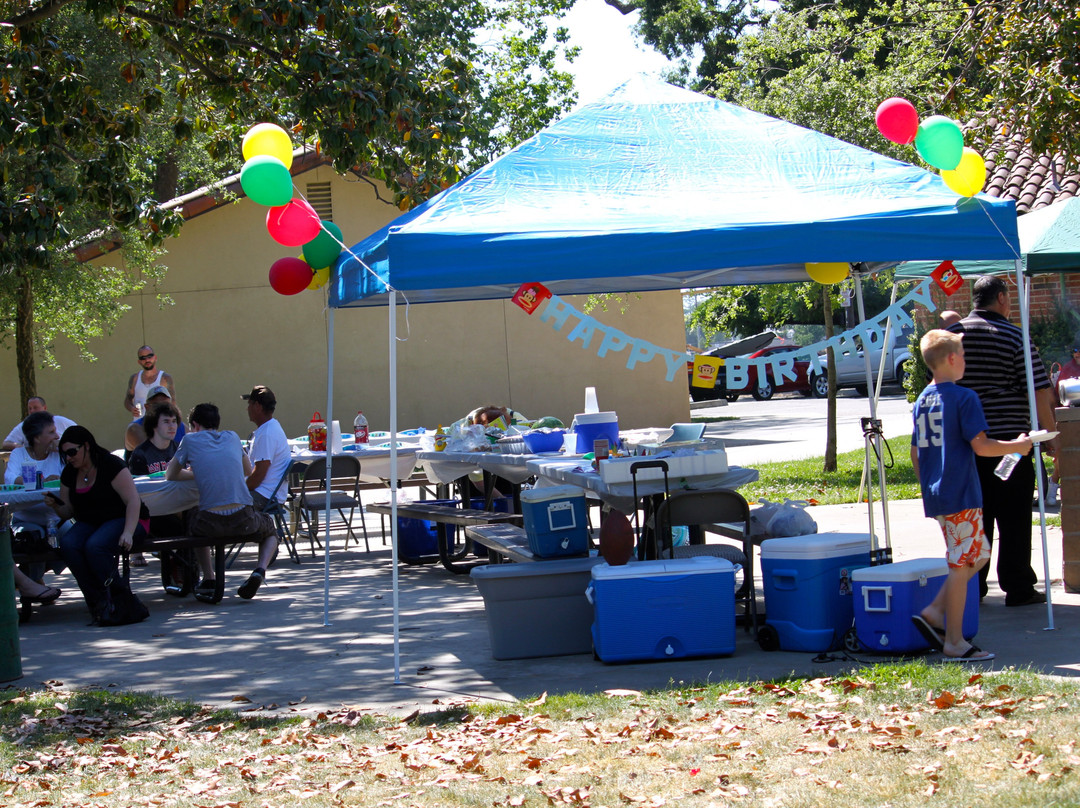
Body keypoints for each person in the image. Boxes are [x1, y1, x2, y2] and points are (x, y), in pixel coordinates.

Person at [910, 330, 1033, 661]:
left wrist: (930, 483)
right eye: (962, 354)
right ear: (951, 359)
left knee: (975, 558)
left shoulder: (923, 400)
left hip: (940, 494)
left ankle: (936, 612)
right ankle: (953, 640)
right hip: (960, 493)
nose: (965, 360)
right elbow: (982, 445)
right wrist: (1019, 447)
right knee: (963, 563)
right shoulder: (965, 398)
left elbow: (914, 452)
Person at [946, 275, 1057, 606]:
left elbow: (935, 386)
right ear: (1002, 299)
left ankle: (972, 584)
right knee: (1014, 514)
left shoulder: (951, 336)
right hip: (1010, 444)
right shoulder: (1014, 336)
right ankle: (1017, 584)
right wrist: (1050, 437)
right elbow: (1038, 392)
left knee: (973, 515)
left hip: (964, 446)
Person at [166, 403, 278, 602]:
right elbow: (246, 470)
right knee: (270, 530)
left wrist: (196, 474)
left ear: (195, 425)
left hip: (209, 523)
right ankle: (260, 570)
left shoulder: (190, 440)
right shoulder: (233, 437)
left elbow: (170, 474)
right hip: (244, 518)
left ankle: (209, 577)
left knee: (192, 514)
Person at [45, 426, 149, 619]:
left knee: (96, 546)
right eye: (64, 454)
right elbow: (67, 512)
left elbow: (133, 501)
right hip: (94, 522)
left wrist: (127, 532)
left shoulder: (111, 464)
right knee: (69, 544)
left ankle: (120, 598)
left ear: (86, 446)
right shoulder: (69, 473)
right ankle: (97, 600)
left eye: (71, 452)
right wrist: (55, 505)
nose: (68, 458)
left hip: (128, 519)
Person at [4, 411, 66, 605]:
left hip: (58, 517)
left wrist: (64, 449)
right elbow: (11, 480)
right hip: (26, 518)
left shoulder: (59, 454)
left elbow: (72, 478)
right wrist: (43, 481)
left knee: (77, 538)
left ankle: (31, 580)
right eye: (52, 432)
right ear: (37, 437)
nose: (57, 436)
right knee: (33, 538)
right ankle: (33, 584)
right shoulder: (19, 454)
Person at [240, 386, 290, 598]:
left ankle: (206, 569)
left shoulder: (267, 433)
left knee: (216, 505)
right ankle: (262, 562)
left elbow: (258, 475)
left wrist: (236, 489)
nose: (247, 408)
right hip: (267, 492)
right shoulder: (268, 429)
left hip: (263, 494)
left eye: (250, 404)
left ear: (258, 406)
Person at [125, 385, 185, 453]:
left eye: (166, 405)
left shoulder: (181, 427)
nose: (162, 410)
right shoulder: (135, 429)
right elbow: (152, 455)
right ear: (147, 407)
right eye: (157, 406)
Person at [2, 396, 76, 451]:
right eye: (30, 408)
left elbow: (81, 435)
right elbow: (6, 444)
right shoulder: (24, 425)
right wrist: (24, 449)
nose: (32, 411)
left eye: (35, 407)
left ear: (45, 408)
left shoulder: (60, 421)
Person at [128, 402, 182, 476]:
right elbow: (139, 485)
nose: (172, 426)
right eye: (166, 421)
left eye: (174, 421)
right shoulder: (140, 454)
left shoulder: (180, 450)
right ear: (154, 425)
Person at [124, 345, 176, 418]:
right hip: (139, 425)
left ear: (155, 358)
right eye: (143, 358)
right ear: (139, 362)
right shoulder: (135, 378)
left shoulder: (165, 378)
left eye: (149, 356)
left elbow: (172, 404)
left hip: (157, 425)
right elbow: (127, 400)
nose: (147, 360)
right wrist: (132, 409)